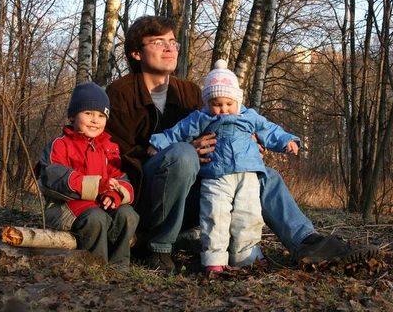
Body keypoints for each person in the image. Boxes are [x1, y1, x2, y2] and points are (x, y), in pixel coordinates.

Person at [105, 15, 378, 274]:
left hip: (197, 194)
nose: (170, 48)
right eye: (158, 42)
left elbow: (223, 124)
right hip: (146, 196)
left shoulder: (189, 91)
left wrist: (241, 146)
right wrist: (184, 150)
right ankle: (158, 248)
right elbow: (119, 157)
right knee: (182, 154)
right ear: (136, 53)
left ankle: (306, 241)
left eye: (173, 42)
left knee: (262, 175)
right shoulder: (120, 93)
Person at [148, 59, 301, 273]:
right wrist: (159, 143)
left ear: (238, 101)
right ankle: (213, 258)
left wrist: (287, 141)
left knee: (249, 214)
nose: (223, 110)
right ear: (208, 103)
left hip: (247, 176)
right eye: (216, 104)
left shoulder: (249, 117)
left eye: (228, 104)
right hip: (216, 176)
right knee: (214, 215)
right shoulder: (202, 118)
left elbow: (270, 130)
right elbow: (178, 131)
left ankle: (246, 255)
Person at [38, 82, 139, 267]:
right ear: (72, 116)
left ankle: (119, 267)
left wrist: (114, 193)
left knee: (127, 213)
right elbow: (55, 177)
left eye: (101, 115)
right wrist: (97, 186)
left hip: (98, 205)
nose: (95, 120)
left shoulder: (109, 147)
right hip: (63, 206)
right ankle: (95, 267)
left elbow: (122, 179)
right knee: (95, 217)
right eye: (88, 113)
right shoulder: (61, 144)